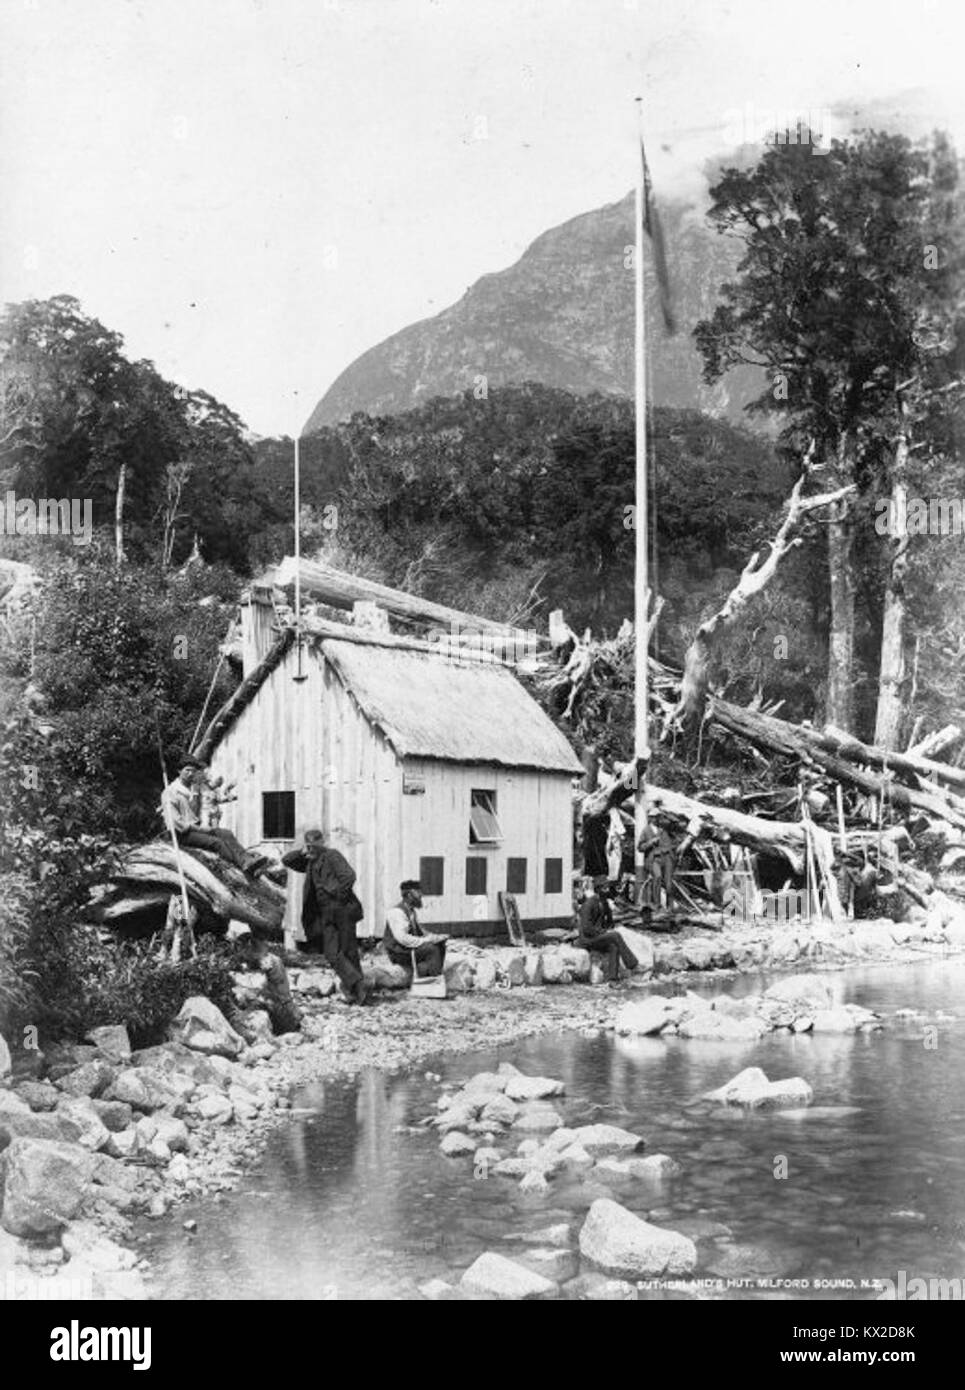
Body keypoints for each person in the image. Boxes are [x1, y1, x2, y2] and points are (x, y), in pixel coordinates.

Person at [282, 829, 370, 1005]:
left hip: (342, 909)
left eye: (315, 845)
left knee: (349, 951)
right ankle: (357, 983)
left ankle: (357, 993)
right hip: (325, 913)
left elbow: (349, 876)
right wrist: (303, 851)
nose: (312, 849)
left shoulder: (332, 855)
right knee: (331, 953)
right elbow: (287, 860)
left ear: (323, 843)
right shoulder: (308, 861)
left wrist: (336, 895)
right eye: (309, 846)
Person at [161, 757, 268, 877]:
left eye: (193, 771)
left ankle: (247, 860)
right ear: (179, 771)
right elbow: (177, 823)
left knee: (226, 833)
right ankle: (240, 867)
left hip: (196, 828)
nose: (190, 774)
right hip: (181, 834)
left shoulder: (194, 788)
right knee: (217, 843)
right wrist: (201, 829)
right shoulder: (171, 792)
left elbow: (212, 797)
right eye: (187, 770)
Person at [577, 875, 639, 984]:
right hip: (587, 939)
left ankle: (613, 979)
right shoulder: (589, 904)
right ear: (599, 889)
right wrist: (603, 932)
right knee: (615, 935)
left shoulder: (604, 902)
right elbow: (586, 928)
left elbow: (609, 923)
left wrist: (608, 915)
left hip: (597, 936)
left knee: (613, 947)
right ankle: (632, 963)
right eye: (605, 888)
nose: (607, 890)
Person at [384, 880, 448, 978]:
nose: (421, 895)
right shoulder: (397, 912)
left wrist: (435, 937)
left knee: (439, 944)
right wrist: (426, 940)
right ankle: (432, 981)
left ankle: (434, 975)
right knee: (431, 949)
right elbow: (403, 939)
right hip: (399, 952)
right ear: (409, 895)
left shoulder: (411, 911)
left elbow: (420, 931)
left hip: (407, 949)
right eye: (418, 892)